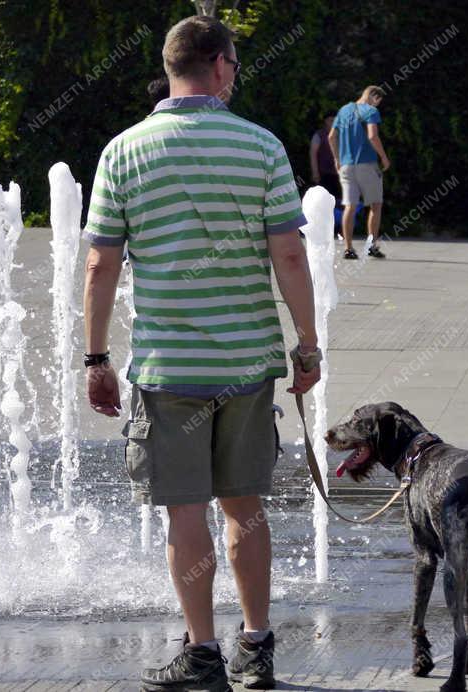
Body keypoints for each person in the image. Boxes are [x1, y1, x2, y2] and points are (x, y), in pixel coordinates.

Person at [82, 15, 321, 691]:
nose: (235, 76)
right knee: (245, 507)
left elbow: (102, 265)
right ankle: (256, 646)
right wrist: (307, 345)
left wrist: (95, 359)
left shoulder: (123, 151)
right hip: (245, 365)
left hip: (168, 368)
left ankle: (203, 656)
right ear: (217, 65)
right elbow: (290, 252)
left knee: (184, 511)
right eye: (235, 65)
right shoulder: (261, 148)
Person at [329, 85, 390, 259]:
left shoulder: (344, 110)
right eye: (379, 102)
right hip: (367, 164)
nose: (378, 106)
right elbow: (372, 136)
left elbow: (331, 136)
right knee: (375, 205)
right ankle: (371, 246)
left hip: (346, 165)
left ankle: (348, 248)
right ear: (374, 97)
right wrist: (384, 157)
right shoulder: (371, 111)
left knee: (350, 206)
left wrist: (337, 159)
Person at [309, 111, 340, 206]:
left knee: (338, 202)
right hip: (324, 174)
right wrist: (315, 172)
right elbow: (313, 153)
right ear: (325, 121)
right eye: (331, 121)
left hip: (339, 174)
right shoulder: (319, 135)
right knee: (323, 201)